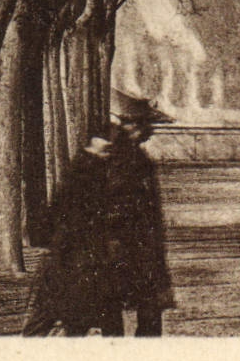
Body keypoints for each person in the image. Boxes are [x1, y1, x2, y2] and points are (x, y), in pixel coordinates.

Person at [23, 91, 175, 336]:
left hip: (97, 258)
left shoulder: (123, 158)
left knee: (92, 320)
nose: (150, 132)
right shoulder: (116, 160)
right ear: (133, 125)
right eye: (147, 125)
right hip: (90, 258)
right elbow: (72, 206)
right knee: (68, 319)